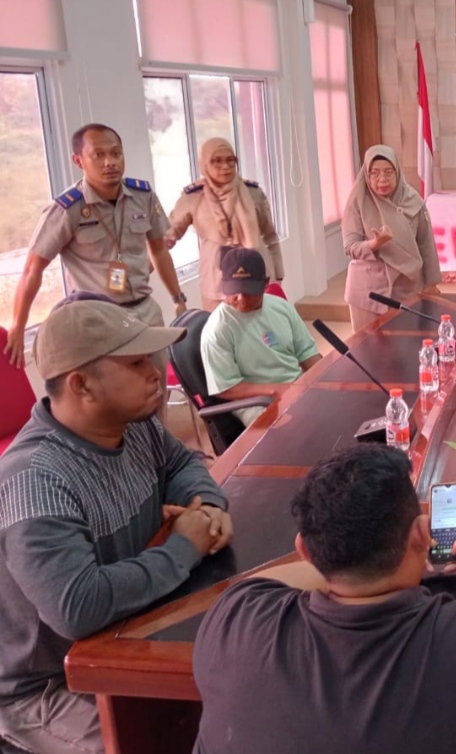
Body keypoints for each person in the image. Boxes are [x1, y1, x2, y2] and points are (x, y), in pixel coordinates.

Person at [191, 443, 456, 754]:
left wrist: (394, 555)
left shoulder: (235, 623)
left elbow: (266, 580)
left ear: (305, 549)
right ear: (420, 535)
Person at [0, 299, 231, 754]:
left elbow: (181, 462)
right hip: (46, 686)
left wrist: (206, 505)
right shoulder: (35, 480)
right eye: (136, 362)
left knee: (232, 707)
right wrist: (184, 546)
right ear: (81, 384)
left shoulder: (131, 425)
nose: (155, 372)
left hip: (127, 630)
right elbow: (77, 606)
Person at [3, 123, 187, 369]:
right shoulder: (68, 209)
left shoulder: (142, 196)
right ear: (78, 160)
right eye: (98, 155)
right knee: (115, 388)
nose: (109, 162)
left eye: (115, 153)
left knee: (155, 383)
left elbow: (159, 250)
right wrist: (18, 325)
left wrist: (178, 298)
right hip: (99, 319)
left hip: (145, 312)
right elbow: (32, 269)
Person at [201, 246, 321, 426]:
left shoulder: (281, 307)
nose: (241, 299)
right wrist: (274, 390)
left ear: (265, 284)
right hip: (254, 401)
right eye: (234, 291)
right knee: (290, 429)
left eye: (248, 291)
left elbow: (307, 353)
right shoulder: (217, 329)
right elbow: (226, 387)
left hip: (295, 385)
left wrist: (325, 379)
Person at [165, 137, 284, 310]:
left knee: (263, 325)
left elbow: (270, 236)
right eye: (217, 161)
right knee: (220, 326)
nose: (225, 166)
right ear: (205, 164)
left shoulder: (252, 192)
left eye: (230, 160)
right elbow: (165, 237)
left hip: (257, 277)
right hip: (216, 283)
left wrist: (278, 276)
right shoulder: (193, 197)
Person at [342, 145, 442, 331]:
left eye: (388, 172)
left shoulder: (413, 200)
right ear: (366, 175)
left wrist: (431, 283)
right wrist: (375, 243)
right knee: (367, 345)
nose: (382, 179)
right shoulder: (357, 201)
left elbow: (426, 244)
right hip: (367, 291)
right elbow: (350, 247)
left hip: (407, 288)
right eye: (375, 173)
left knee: (408, 343)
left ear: (397, 172)